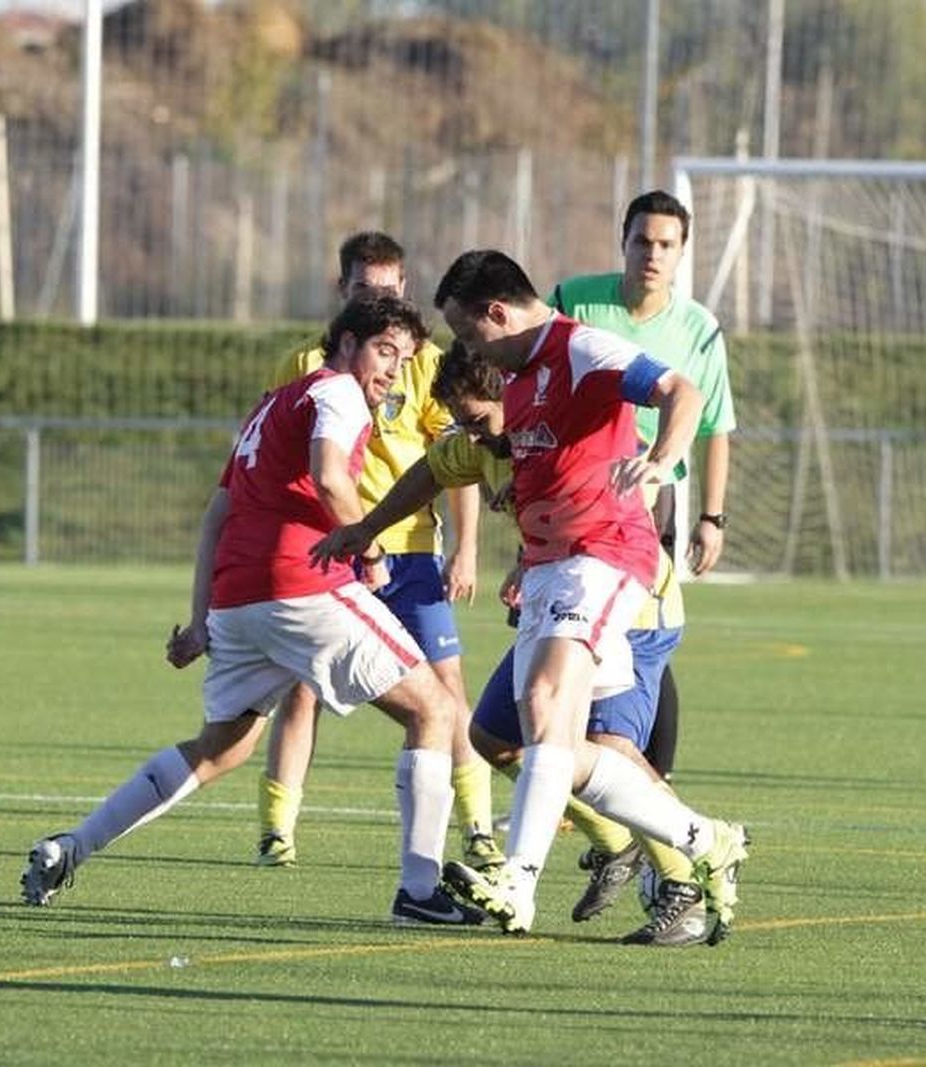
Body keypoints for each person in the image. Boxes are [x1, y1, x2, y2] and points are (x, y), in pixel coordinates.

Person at [314, 249, 749, 941]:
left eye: (467, 332)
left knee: (547, 709)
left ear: (496, 312)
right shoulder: (513, 384)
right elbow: (434, 469)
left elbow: (680, 390)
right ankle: (706, 839)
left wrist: (662, 459)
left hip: (606, 554)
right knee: (557, 749)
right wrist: (366, 525)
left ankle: (518, 884)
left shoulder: (581, 347)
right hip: (551, 569)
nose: (465, 349)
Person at [19, 295, 486, 927]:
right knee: (434, 708)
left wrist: (201, 619)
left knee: (220, 750)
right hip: (302, 586)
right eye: (383, 351)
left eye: (403, 358)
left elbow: (216, 516)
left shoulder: (272, 403)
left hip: (241, 600)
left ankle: (72, 846)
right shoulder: (336, 392)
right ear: (345, 343)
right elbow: (328, 477)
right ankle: (419, 891)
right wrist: (369, 546)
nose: (391, 370)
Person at [255, 232, 500, 874]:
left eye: (389, 292)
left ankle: (478, 826)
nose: (377, 301)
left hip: (410, 550)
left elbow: (458, 460)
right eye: (365, 291)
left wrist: (467, 546)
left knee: (447, 689)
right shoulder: (307, 364)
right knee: (303, 691)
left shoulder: (424, 362)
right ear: (344, 293)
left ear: (405, 293)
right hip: (333, 551)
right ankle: (277, 829)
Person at [550, 189, 736, 783]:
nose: (651, 254)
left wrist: (712, 517)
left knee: (645, 633)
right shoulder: (574, 301)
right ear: (622, 242)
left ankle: (652, 773)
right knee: (563, 622)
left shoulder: (699, 328)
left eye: (665, 244)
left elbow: (714, 427)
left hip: (653, 503)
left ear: (682, 253)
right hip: (572, 496)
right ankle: (571, 767)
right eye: (642, 241)